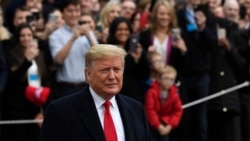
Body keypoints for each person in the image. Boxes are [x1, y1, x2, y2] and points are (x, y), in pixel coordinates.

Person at [39, 44, 152, 141]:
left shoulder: (136, 109)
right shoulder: (61, 111)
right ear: (88, 74)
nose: (112, 76)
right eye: (105, 70)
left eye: (117, 70)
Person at [144, 65, 183, 141]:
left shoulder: (175, 94)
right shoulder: (151, 92)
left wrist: (170, 126)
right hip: (152, 124)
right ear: (159, 79)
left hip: (166, 124)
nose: (169, 82)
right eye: (166, 78)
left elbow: (178, 111)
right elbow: (149, 110)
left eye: (172, 79)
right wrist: (158, 126)